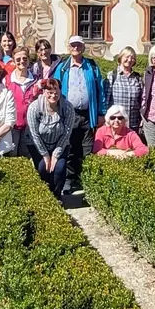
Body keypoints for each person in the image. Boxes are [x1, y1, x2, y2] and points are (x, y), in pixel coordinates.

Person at [50, 35, 104, 193]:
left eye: (79, 45)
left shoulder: (92, 66)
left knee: (87, 148)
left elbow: (100, 89)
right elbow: (55, 90)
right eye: (73, 45)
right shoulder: (63, 67)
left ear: (83, 47)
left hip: (88, 113)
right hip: (69, 114)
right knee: (70, 147)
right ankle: (69, 179)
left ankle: (84, 180)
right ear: (69, 47)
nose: (76, 48)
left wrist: (101, 112)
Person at [28, 78, 74, 193]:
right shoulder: (35, 108)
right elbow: (35, 135)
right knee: (43, 168)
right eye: (50, 92)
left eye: (56, 92)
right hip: (39, 145)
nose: (53, 95)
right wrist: (45, 155)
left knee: (58, 169)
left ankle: (57, 195)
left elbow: (66, 134)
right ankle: (45, 195)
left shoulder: (67, 108)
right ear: (44, 92)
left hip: (59, 144)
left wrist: (55, 155)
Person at [7, 46, 42, 166]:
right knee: (12, 156)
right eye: (18, 59)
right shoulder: (7, 81)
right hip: (12, 126)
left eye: (24, 58)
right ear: (13, 61)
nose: (21, 61)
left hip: (30, 127)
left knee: (28, 157)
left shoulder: (36, 81)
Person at [104, 46, 143, 131]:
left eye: (132, 58)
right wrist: (105, 120)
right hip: (115, 123)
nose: (129, 60)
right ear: (120, 58)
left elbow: (141, 100)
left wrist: (142, 119)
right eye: (127, 57)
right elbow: (106, 101)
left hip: (133, 123)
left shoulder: (137, 78)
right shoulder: (112, 76)